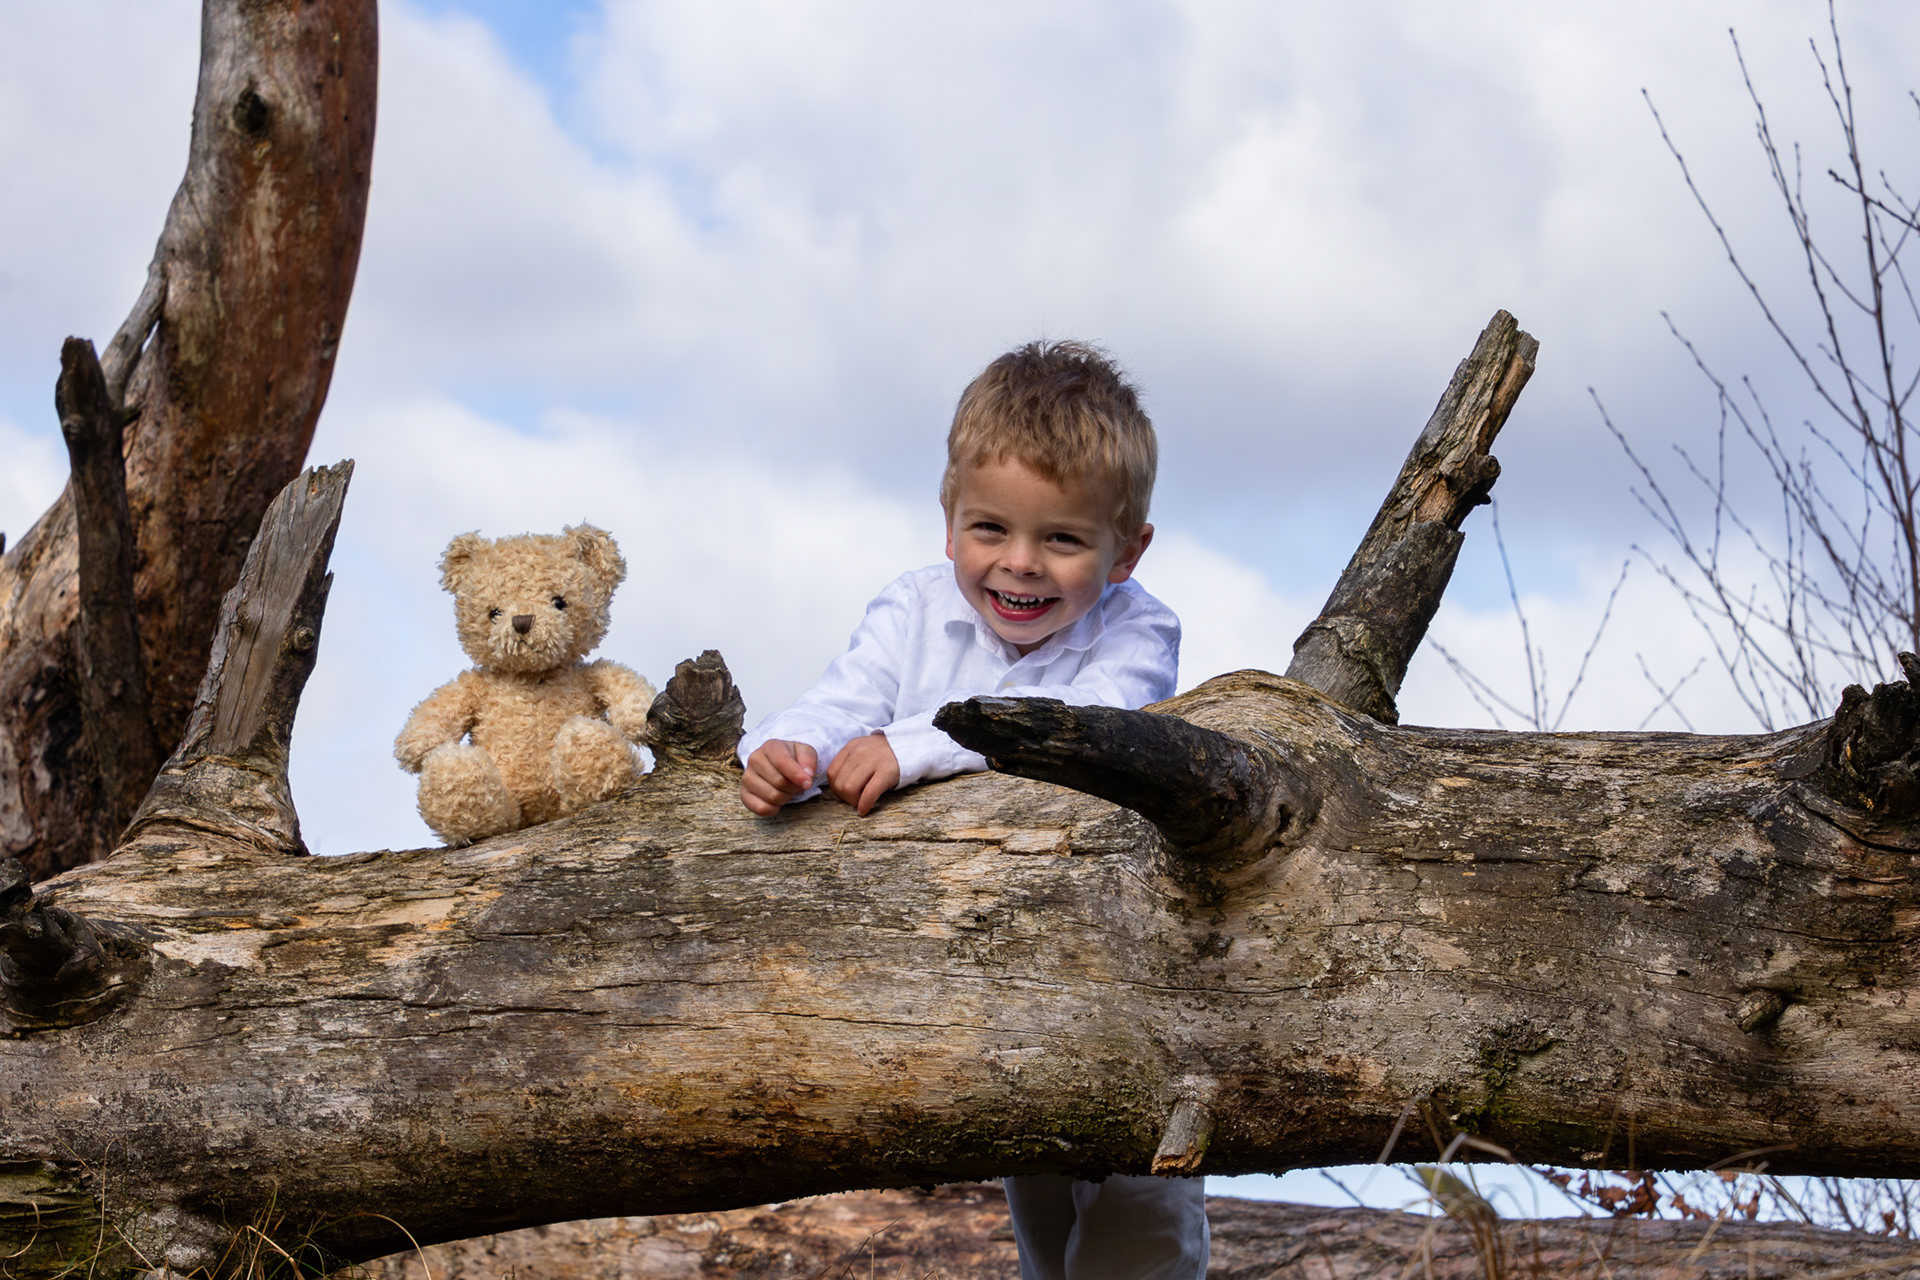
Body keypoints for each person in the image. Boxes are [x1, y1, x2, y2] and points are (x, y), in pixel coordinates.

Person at [737, 339, 1207, 1280]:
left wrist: (911, 749)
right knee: (1036, 1204)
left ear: (1128, 551)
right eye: (990, 529)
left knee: (1136, 1220)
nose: (1020, 566)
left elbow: (1078, 725)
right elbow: (842, 701)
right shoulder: (911, 609)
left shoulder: (1141, 630)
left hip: (1121, 978)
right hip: (988, 982)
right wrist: (788, 751)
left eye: (1064, 540)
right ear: (948, 520)